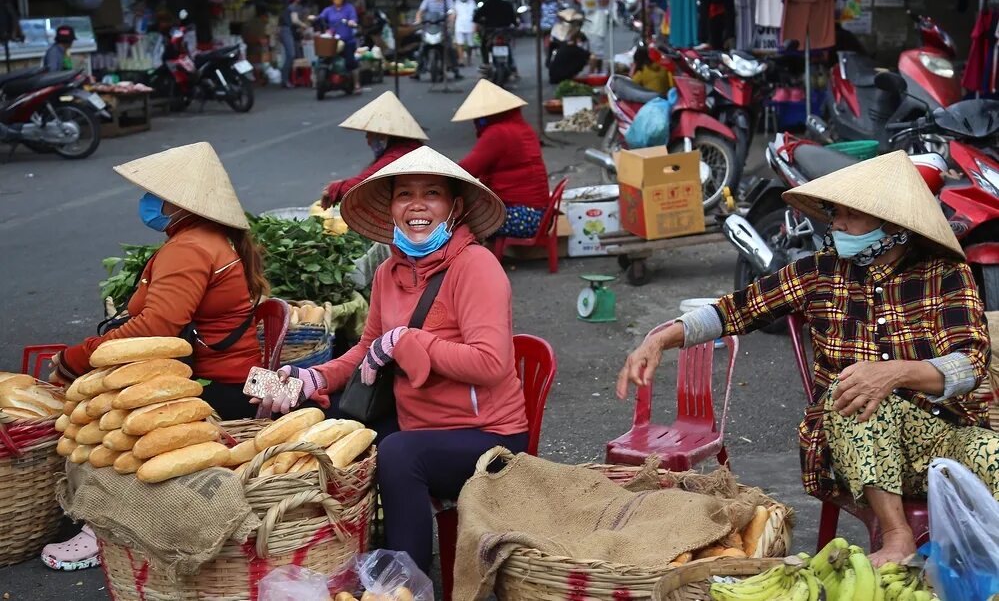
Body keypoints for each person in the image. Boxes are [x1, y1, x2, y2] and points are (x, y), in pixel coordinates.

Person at [617, 151, 997, 566]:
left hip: (942, 438)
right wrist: (658, 339)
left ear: (894, 226)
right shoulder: (820, 271)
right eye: (835, 214)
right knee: (852, 392)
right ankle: (896, 536)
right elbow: (735, 310)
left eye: (851, 215)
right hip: (853, 440)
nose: (837, 224)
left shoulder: (945, 275)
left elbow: (972, 363)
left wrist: (895, 372)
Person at [256, 146, 529, 575]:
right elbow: (366, 348)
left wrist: (408, 339)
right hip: (417, 422)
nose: (417, 205)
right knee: (311, 421)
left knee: (399, 453)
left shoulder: (477, 267)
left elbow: (492, 363)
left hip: (487, 436)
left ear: (455, 207)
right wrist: (310, 378)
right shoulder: (388, 273)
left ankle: (406, 582)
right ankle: (328, 559)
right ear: (392, 209)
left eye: (432, 193)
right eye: (405, 195)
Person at [43, 142, 269, 571]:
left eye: (155, 194)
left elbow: (154, 328)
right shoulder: (206, 239)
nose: (147, 202)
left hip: (216, 387)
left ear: (180, 202)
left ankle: (105, 525)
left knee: (111, 429)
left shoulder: (190, 247)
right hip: (232, 375)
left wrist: (78, 357)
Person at [453, 80, 550, 239]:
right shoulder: (522, 127)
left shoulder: (497, 133)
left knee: (455, 218)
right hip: (540, 214)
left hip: (523, 217)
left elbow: (466, 170)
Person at [320, 91, 429, 208]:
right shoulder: (406, 149)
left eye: (370, 135)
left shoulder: (399, 154)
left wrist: (335, 189)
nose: (368, 141)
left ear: (383, 136)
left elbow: (362, 185)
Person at [317, 0, 361, 94]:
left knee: (351, 62)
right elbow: (321, 18)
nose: (337, 0)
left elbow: (353, 19)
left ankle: (356, 84)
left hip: (347, 40)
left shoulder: (349, 8)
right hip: (333, 41)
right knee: (324, 58)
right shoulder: (328, 10)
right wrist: (314, 18)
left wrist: (352, 22)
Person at [414, 0, 460, 80]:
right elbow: (420, 12)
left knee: (450, 48)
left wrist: (451, 22)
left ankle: (455, 69)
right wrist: (418, 20)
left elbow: (452, 12)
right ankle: (418, 70)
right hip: (430, 27)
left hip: (442, 27)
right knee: (422, 48)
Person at [474, 0, 518, 76]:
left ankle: (488, 63)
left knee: (486, 46)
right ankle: (489, 64)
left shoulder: (490, 4)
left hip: (497, 31)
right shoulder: (505, 4)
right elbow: (514, 20)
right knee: (485, 45)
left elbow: (476, 18)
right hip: (496, 32)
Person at [279, 0, 307, 88]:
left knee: (296, 54)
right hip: (286, 31)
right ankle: (285, 80)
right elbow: (295, 20)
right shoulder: (293, 7)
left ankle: (294, 79)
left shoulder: (290, 7)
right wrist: (304, 25)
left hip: (289, 31)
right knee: (291, 54)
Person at [453, 0, 476, 67]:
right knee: (460, 43)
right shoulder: (456, 3)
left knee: (470, 44)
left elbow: (474, 14)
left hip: (470, 25)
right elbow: (454, 14)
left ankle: (469, 58)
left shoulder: (472, 2)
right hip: (459, 25)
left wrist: (475, 25)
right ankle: (461, 59)